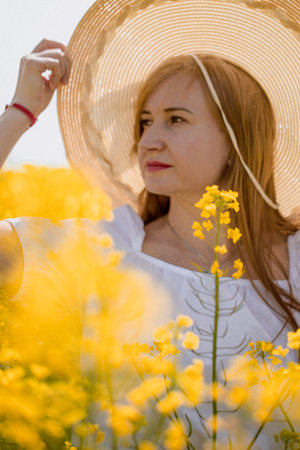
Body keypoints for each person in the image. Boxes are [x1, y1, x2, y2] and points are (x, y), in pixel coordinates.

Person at [0, 0, 299, 447]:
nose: (148, 141)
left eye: (175, 119)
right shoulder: (107, 250)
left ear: (241, 133)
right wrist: (19, 113)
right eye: (145, 121)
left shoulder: (297, 260)